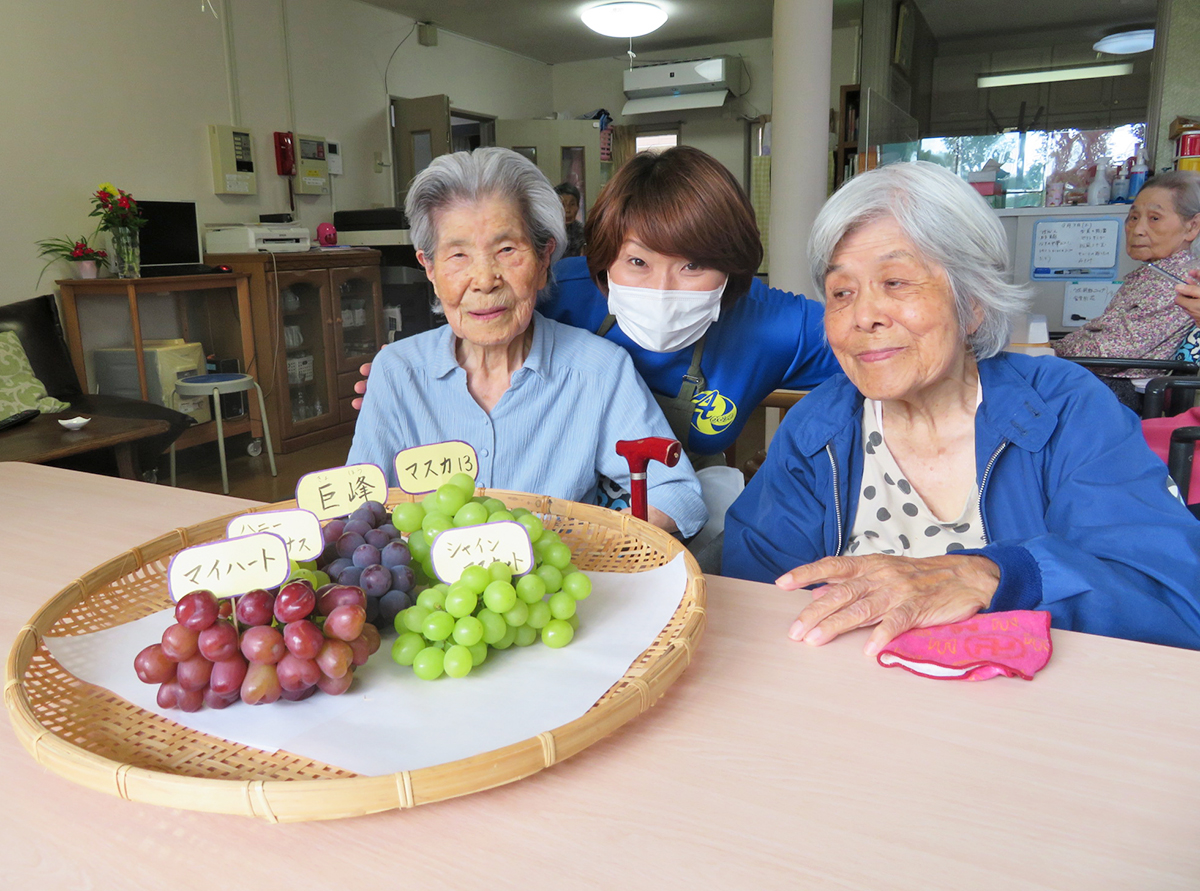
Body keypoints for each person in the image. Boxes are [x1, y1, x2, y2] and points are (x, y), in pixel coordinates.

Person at [723, 160, 1200, 653]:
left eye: (896, 282)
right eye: (842, 292)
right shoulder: (816, 429)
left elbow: (1175, 597)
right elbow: (751, 600)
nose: (863, 316)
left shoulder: (1064, 407)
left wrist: (991, 576)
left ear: (972, 303)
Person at [347, 147, 706, 538]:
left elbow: (676, 493)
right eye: (458, 255)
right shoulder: (397, 371)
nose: (485, 280)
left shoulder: (599, 371)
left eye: (506, 250)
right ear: (430, 269)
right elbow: (358, 507)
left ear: (544, 259)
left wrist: (590, 549)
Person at [1054, 169, 1200, 407]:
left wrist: (1051, 350)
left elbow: (1110, 353)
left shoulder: (1179, 283)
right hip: (1103, 379)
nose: (1138, 229)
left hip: (1121, 392)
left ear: (1192, 226)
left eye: (1154, 218)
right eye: (1133, 218)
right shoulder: (1153, 273)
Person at [555, 182, 586, 257]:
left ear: (578, 207)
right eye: (562, 205)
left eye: (572, 204)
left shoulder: (582, 231)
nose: (567, 210)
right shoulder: (547, 232)